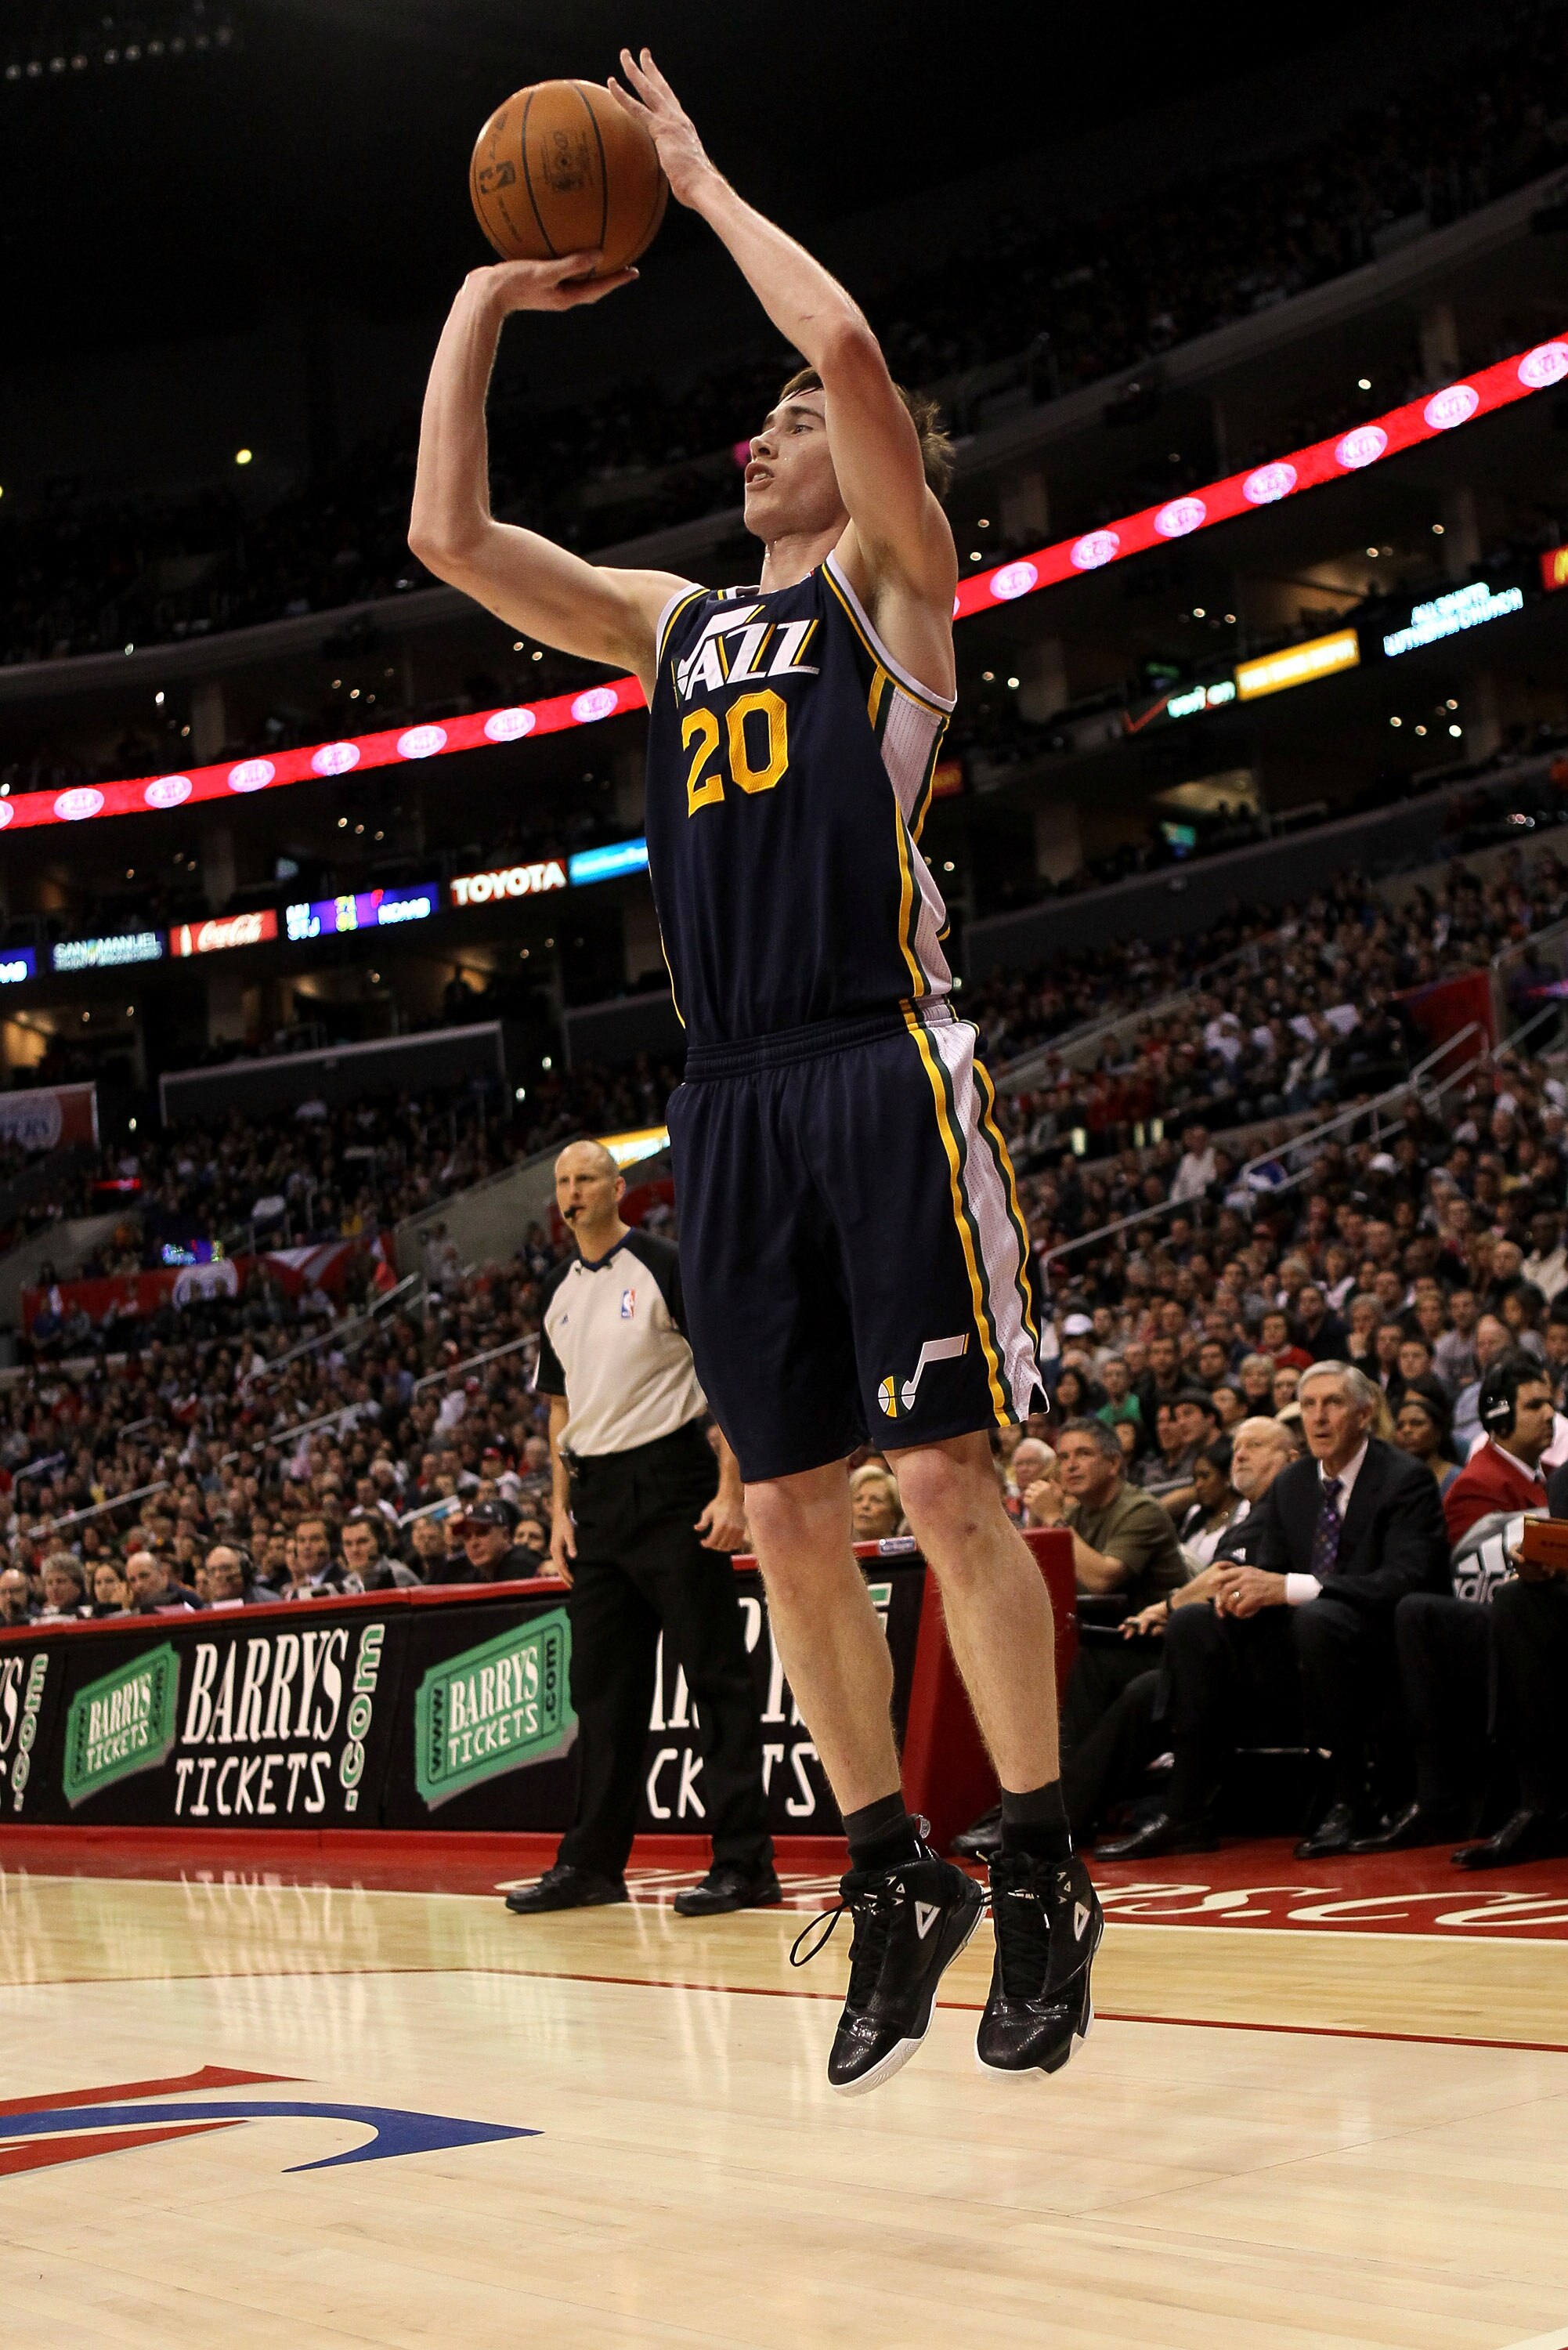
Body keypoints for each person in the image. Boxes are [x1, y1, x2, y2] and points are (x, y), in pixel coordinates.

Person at [412, 51, 1097, 2092]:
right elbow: (451, 533)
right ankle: (893, 1871)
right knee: (786, 1512)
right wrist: (483, 299)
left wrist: (698, 185)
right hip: (725, 1096)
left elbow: (860, 352)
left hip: (882, 1065)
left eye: (788, 422)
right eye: (767, 418)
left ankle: (1042, 1869)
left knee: (947, 1480)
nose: (761, 427)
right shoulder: (677, 620)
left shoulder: (894, 599)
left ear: (873, 474)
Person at [506, 1141, 778, 1924]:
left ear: (618, 1187)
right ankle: (590, 1865)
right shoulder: (556, 1293)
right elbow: (558, 1410)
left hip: (674, 1488)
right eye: (561, 1181)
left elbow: (721, 1372)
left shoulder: (662, 1264)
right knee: (602, 1696)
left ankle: (743, 1865)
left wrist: (733, 1490)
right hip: (595, 1502)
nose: (572, 1192)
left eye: (586, 1177)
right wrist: (558, 1511)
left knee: (715, 1682)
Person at [1099, 1361, 1450, 1860]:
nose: (1319, 1417)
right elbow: (1268, 1571)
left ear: (1365, 1413)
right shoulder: (1294, 1484)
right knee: (1198, 1621)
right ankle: (1186, 1811)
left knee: (1317, 1617)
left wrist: (1291, 1588)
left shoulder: (1404, 1478)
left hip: (1375, 1644)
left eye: (1333, 1404)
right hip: (1296, 1648)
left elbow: (1405, 1580)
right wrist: (1241, 1595)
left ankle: (1352, 1802)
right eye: (1309, 1406)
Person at [1440, 1354, 1553, 1547]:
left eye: (1550, 1403)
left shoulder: (1553, 1474)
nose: (1550, 1414)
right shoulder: (1474, 1489)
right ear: (1500, 1420)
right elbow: (1475, 1571)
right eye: (1534, 1406)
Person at [1393, 1380, 1461, 1498]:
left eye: (1416, 1423)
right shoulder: (1391, 1483)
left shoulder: (1458, 1481)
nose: (1406, 1430)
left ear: (1438, 1431)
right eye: (1400, 1426)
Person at [340, 1510, 420, 1591]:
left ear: (381, 1543)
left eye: (362, 1542)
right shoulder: (350, 1581)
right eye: (348, 1544)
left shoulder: (396, 1576)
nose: (354, 1550)